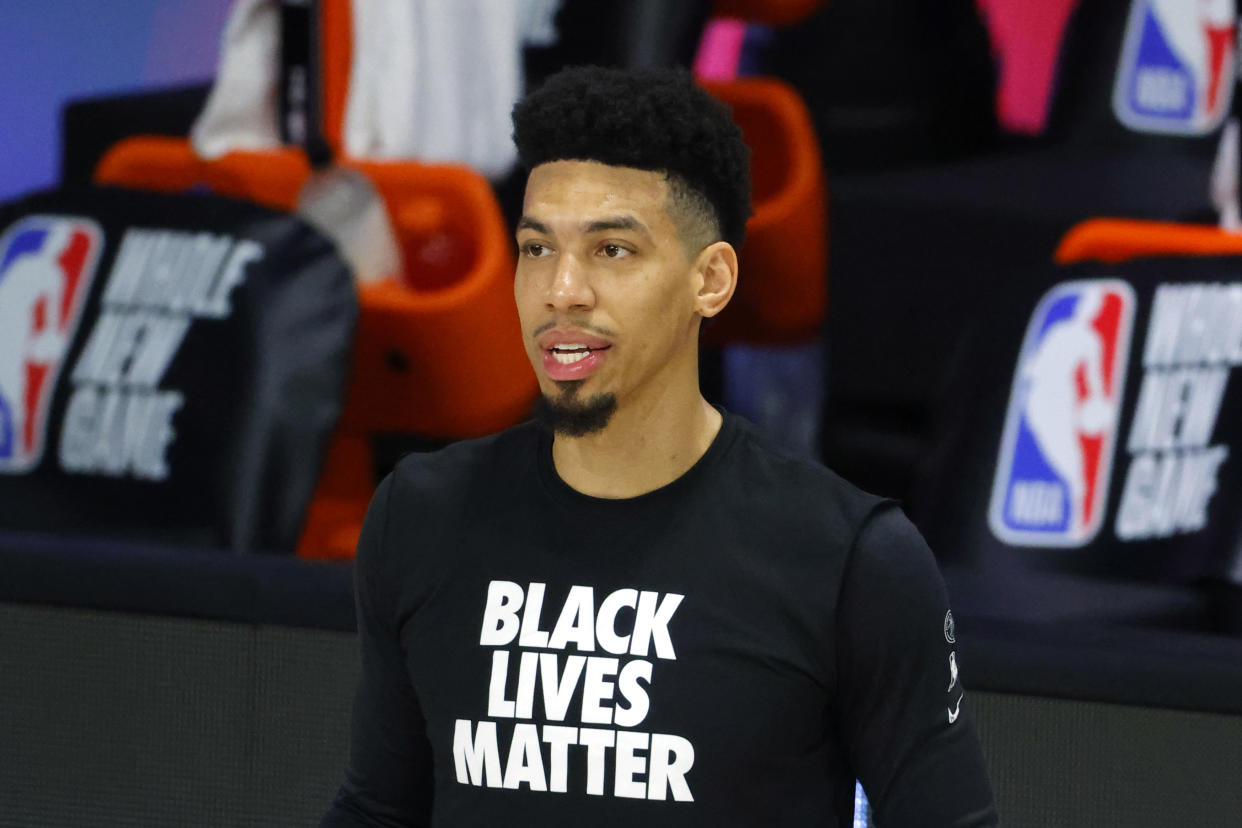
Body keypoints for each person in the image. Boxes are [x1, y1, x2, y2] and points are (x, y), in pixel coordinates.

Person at [321, 65, 998, 827]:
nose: (562, 290)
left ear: (710, 281)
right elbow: (380, 809)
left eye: (611, 251)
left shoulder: (852, 562)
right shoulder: (421, 516)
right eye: (537, 248)